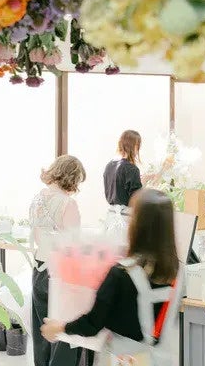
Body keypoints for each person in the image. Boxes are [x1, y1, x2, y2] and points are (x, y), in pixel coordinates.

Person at [41, 189, 182, 366]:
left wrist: (59, 327)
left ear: (137, 225)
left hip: (122, 359)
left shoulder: (121, 274)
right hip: (160, 360)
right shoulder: (178, 272)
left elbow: (92, 324)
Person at [30, 155, 86, 366]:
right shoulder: (67, 204)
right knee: (64, 334)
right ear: (72, 177)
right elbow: (73, 244)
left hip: (39, 267)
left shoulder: (37, 199)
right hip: (61, 272)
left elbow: (38, 236)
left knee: (43, 331)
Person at [103, 130, 143, 238]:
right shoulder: (132, 169)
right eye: (138, 146)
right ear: (134, 146)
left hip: (110, 218)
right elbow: (136, 199)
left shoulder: (109, 166)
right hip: (126, 219)